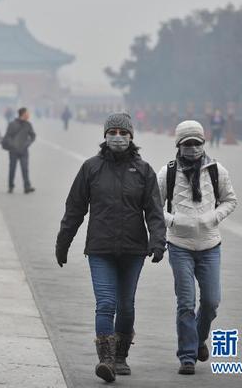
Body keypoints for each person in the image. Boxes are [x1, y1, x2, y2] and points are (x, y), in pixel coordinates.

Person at [55, 113, 167, 383]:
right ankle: (105, 359)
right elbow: (75, 209)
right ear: (105, 135)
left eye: (123, 132)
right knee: (106, 303)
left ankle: (120, 356)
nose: (117, 136)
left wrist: (158, 241)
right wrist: (63, 242)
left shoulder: (143, 171)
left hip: (133, 249)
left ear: (131, 136)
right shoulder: (90, 168)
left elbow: (154, 211)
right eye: (113, 131)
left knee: (126, 305)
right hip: (100, 248)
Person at [157, 120, 238, 375]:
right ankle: (187, 356)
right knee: (186, 302)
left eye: (197, 143)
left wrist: (213, 217)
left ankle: (199, 337)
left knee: (212, 301)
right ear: (178, 145)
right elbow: (154, 208)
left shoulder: (217, 171)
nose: (192, 149)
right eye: (187, 144)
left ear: (203, 143)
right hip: (179, 245)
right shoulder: (167, 173)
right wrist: (173, 220)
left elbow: (230, 200)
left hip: (210, 245)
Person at [2, 107, 36, 194]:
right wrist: (12, 145)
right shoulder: (12, 124)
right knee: (12, 169)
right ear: (23, 114)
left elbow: (33, 136)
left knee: (25, 169)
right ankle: (10, 186)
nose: (28, 115)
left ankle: (27, 186)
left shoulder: (28, 124)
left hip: (24, 151)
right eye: (27, 113)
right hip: (13, 151)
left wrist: (27, 143)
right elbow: (8, 136)